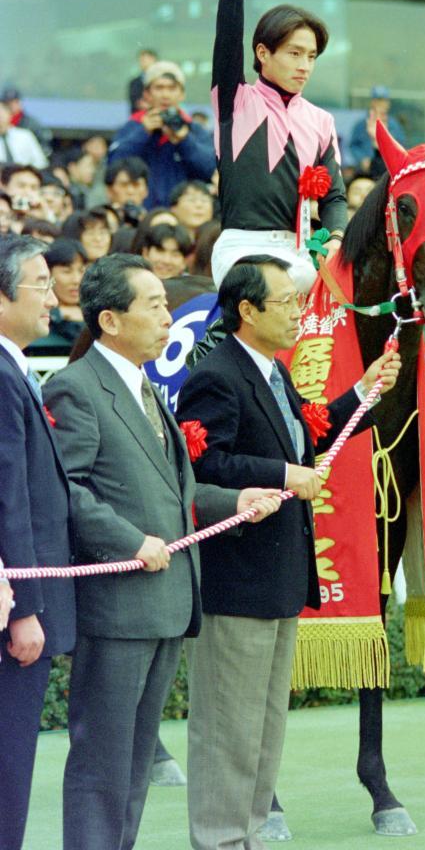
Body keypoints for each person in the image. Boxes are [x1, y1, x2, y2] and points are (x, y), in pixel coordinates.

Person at [43, 253, 282, 850]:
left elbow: (173, 491)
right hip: (118, 604)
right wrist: (129, 541)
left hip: (166, 601)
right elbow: (63, 488)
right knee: (104, 759)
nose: (167, 316)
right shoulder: (76, 388)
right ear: (109, 321)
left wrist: (235, 500)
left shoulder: (145, 387)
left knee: (132, 766)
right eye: (152, 305)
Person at [176, 254, 400, 850]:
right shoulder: (217, 375)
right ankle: (221, 838)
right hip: (236, 578)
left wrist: (364, 386)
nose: (300, 312)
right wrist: (281, 472)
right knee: (229, 728)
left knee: (264, 728)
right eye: (287, 302)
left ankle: (245, 834)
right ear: (247, 310)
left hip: (278, 578)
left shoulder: (274, 372)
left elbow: (312, 428)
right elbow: (201, 465)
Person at [208, 0, 348, 293]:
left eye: (312, 56)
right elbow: (226, 41)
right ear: (263, 53)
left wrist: (335, 238)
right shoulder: (234, 100)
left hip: (300, 253)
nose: (305, 66)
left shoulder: (321, 121)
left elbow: (335, 196)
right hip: (241, 250)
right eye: (294, 53)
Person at [0, 235, 77, 850]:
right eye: (41, 285)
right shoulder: (2, 376)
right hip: (11, 614)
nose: (53, 298)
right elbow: (9, 499)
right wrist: (24, 609)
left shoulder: (14, 368)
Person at [109, 60, 215, 209]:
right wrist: (143, 132)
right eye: (159, 88)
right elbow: (113, 168)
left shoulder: (195, 130)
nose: (165, 94)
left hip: (183, 215)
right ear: (147, 94)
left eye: (172, 88)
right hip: (141, 213)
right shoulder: (132, 127)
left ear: (182, 93)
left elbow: (210, 170)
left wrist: (184, 140)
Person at [348, 85, 406, 177]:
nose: (381, 104)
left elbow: (401, 147)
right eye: (378, 100)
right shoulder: (361, 124)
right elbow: (353, 145)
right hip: (366, 171)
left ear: (388, 103)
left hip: (388, 170)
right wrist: (362, 159)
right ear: (372, 102)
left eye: (384, 100)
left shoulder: (394, 125)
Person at [0, 101, 47, 169]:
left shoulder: (25, 135)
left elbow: (41, 162)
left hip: (25, 175)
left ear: (10, 115)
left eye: (1, 115)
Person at [127, 48, 158, 113]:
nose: (143, 62)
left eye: (146, 59)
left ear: (154, 60)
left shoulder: (164, 80)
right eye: (141, 60)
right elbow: (136, 101)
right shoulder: (134, 82)